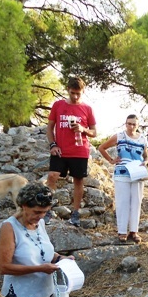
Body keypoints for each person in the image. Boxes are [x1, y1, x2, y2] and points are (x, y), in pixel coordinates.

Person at [46, 77, 97, 227]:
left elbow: (94, 132)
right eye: (72, 93)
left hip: (79, 150)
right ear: (68, 90)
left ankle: (75, 213)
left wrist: (83, 129)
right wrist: (52, 145)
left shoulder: (87, 108)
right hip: (60, 150)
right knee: (52, 175)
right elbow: (49, 128)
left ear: (83, 92)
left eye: (78, 93)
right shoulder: (58, 105)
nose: (75, 96)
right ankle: (46, 210)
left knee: (78, 180)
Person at [97, 114, 148, 243]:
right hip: (122, 172)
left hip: (137, 173)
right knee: (122, 202)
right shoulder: (119, 136)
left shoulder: (142, 139)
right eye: (129, 123)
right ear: (126, 124)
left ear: (137, 125)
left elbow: (146, 156)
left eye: (134, 124)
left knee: (136, 202)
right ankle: (122, 231)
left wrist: (146, 162)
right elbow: (101, 148)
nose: (131, 126)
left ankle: (134, 231)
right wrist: (111, 160)